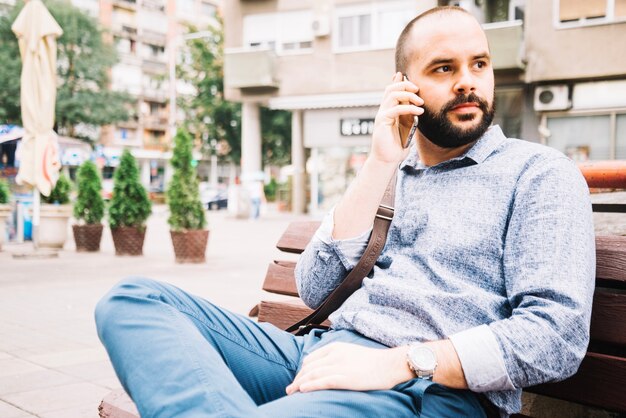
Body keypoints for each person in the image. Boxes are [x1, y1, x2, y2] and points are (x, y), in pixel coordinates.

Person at [95, 6, 595, 418]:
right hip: (322, 354)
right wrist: (379, 163)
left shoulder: (539, 173)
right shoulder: (390, 171)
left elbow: (557, 335)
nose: (467, 82)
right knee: (133, 299)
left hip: (428, 392)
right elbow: (315, 288)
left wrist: (403, 364)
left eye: (479, 64)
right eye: (444, 68)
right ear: (405, 86)